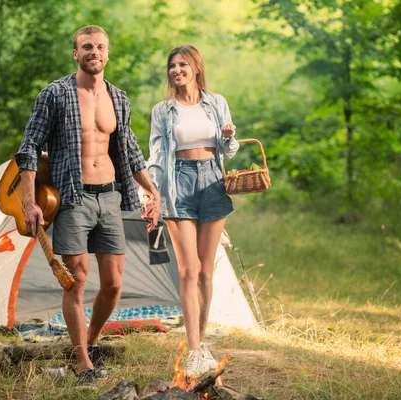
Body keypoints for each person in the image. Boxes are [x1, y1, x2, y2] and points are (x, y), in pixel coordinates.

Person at [15, 25, 160, 387]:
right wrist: (30, 202)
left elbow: (130, 151)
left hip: (110, 195)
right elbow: (29, 147)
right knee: (76, 282)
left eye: (100, 47)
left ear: (107, 54)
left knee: (113, 284)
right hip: (73, 198)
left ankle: (90, 343)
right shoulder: (55, 94)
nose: (94, 51)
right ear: (75, 53)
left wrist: (152, 193)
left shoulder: (119, 98)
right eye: (86, 46)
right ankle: (82, 361)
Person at [147, 44, 239, 377]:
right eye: (172, 65)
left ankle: (199, 341)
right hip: (178, 183)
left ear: (196, 68)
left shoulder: (217, 103)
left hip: (213, 183)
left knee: (206, 272)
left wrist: (229, 136)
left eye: (183, 64)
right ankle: (195, 350)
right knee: (188, 270)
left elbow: (228, 150)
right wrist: (151, 191)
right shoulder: (163, 110)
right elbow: (157, 154)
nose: (176, 70)